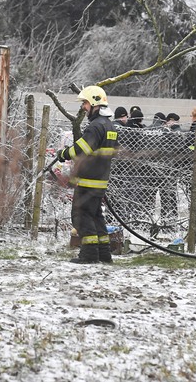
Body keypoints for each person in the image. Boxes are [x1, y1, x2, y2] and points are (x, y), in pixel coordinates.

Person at [56, 85, 118, 264]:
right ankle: (104, 254)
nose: (83, 107)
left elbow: (81, 149)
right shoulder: (109, 126)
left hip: (88, 180)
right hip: (99, 180)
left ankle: (89, 255)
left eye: (85, 103)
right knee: (96, 216)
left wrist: (63, 154)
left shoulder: (95, 127)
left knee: (82, 216)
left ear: (95, 104)